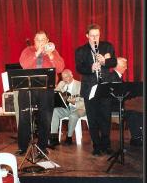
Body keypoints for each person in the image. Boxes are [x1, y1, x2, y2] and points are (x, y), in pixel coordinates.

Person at [16, 30, 65, 156]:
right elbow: (24, 64)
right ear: (34, 41)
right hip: (28, 88)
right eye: (38, 40)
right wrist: (37, 53)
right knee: (24, 117)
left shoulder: (53, 52)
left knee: (46, 118)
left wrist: (51, 56)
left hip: (46, 88)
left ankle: (42, 146)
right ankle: (22, 146)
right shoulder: (28, 51)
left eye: (43, 40)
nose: (41, 42)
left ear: (47, 41)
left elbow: (60, 68)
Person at [75, 24, 117, 156]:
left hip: (104, 86)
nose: (95, 38)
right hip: (89, 87)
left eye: (97, 35)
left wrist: (104, 62)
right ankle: (97, 146)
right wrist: (91, 68)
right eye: (92, 35)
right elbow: (79, 68)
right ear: (87, 36)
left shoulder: (107, 46)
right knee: (92, 118)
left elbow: (114, 62)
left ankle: (106, 144)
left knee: (106, 116)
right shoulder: (81, 50)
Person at [48, 69, 86, 148]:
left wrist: (74, 102)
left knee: (73, 116)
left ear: (71, 75)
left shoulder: (80, 84)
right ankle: (54, 138)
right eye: (63, 77)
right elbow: (55, 94)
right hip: (66, 108)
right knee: (55, 111)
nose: (65, 79)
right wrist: (59, 88)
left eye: (67, 77)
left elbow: (83, 99)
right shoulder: (62, 83)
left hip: (79, 108)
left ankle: (69, 138)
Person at [109, 57, 143, 146]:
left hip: (119, 103)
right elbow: (115, 94)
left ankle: (137, 136)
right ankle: (136, 138)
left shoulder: (117, 77)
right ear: (117, 66)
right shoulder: (112, 77)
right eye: (124, 66)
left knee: (138, 111)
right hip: (113, 105)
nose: (126, 68)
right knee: (133, 112)